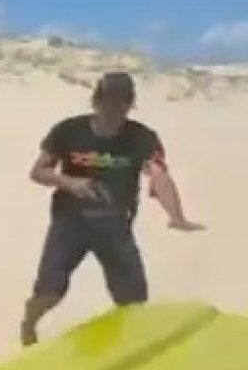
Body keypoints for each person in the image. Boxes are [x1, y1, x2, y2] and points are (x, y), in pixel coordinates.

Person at [20, 71, 205, 346]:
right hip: (70, 222)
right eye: (108, 101)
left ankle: (132, 346)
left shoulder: (141, 137)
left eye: (120, 103)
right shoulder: (69, 131)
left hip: (115, 226)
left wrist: (177, 217)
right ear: (96, 100)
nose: (113, 109)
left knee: (134, 300)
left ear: (129, 105)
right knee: (49, 293)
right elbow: (38, 172)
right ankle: (29, 325)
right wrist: (69, 182)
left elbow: (158, 175)